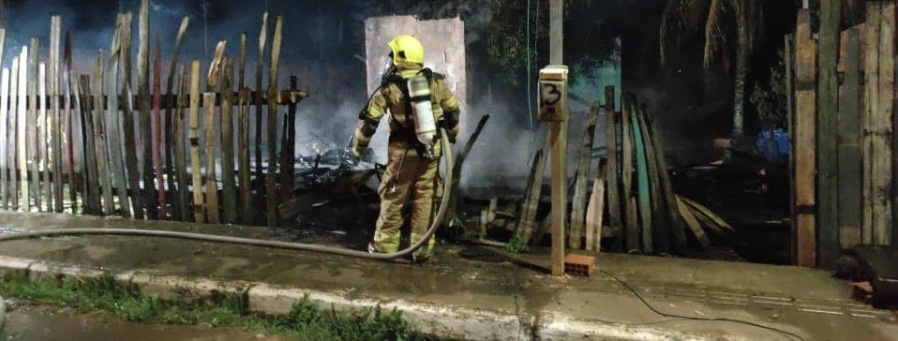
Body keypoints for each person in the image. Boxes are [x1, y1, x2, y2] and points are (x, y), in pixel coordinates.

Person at [351, 34, 461, 263]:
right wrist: (450, 136)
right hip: (432, 150)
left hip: (402, 153)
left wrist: (358, 149)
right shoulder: (436, 82)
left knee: (393, 195)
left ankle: (384, 246)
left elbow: (369, 122)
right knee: (425, 197)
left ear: (400, 57)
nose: (391, 60)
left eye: (393, 55)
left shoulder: (390, 88)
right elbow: (452, 112)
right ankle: (421, 250)